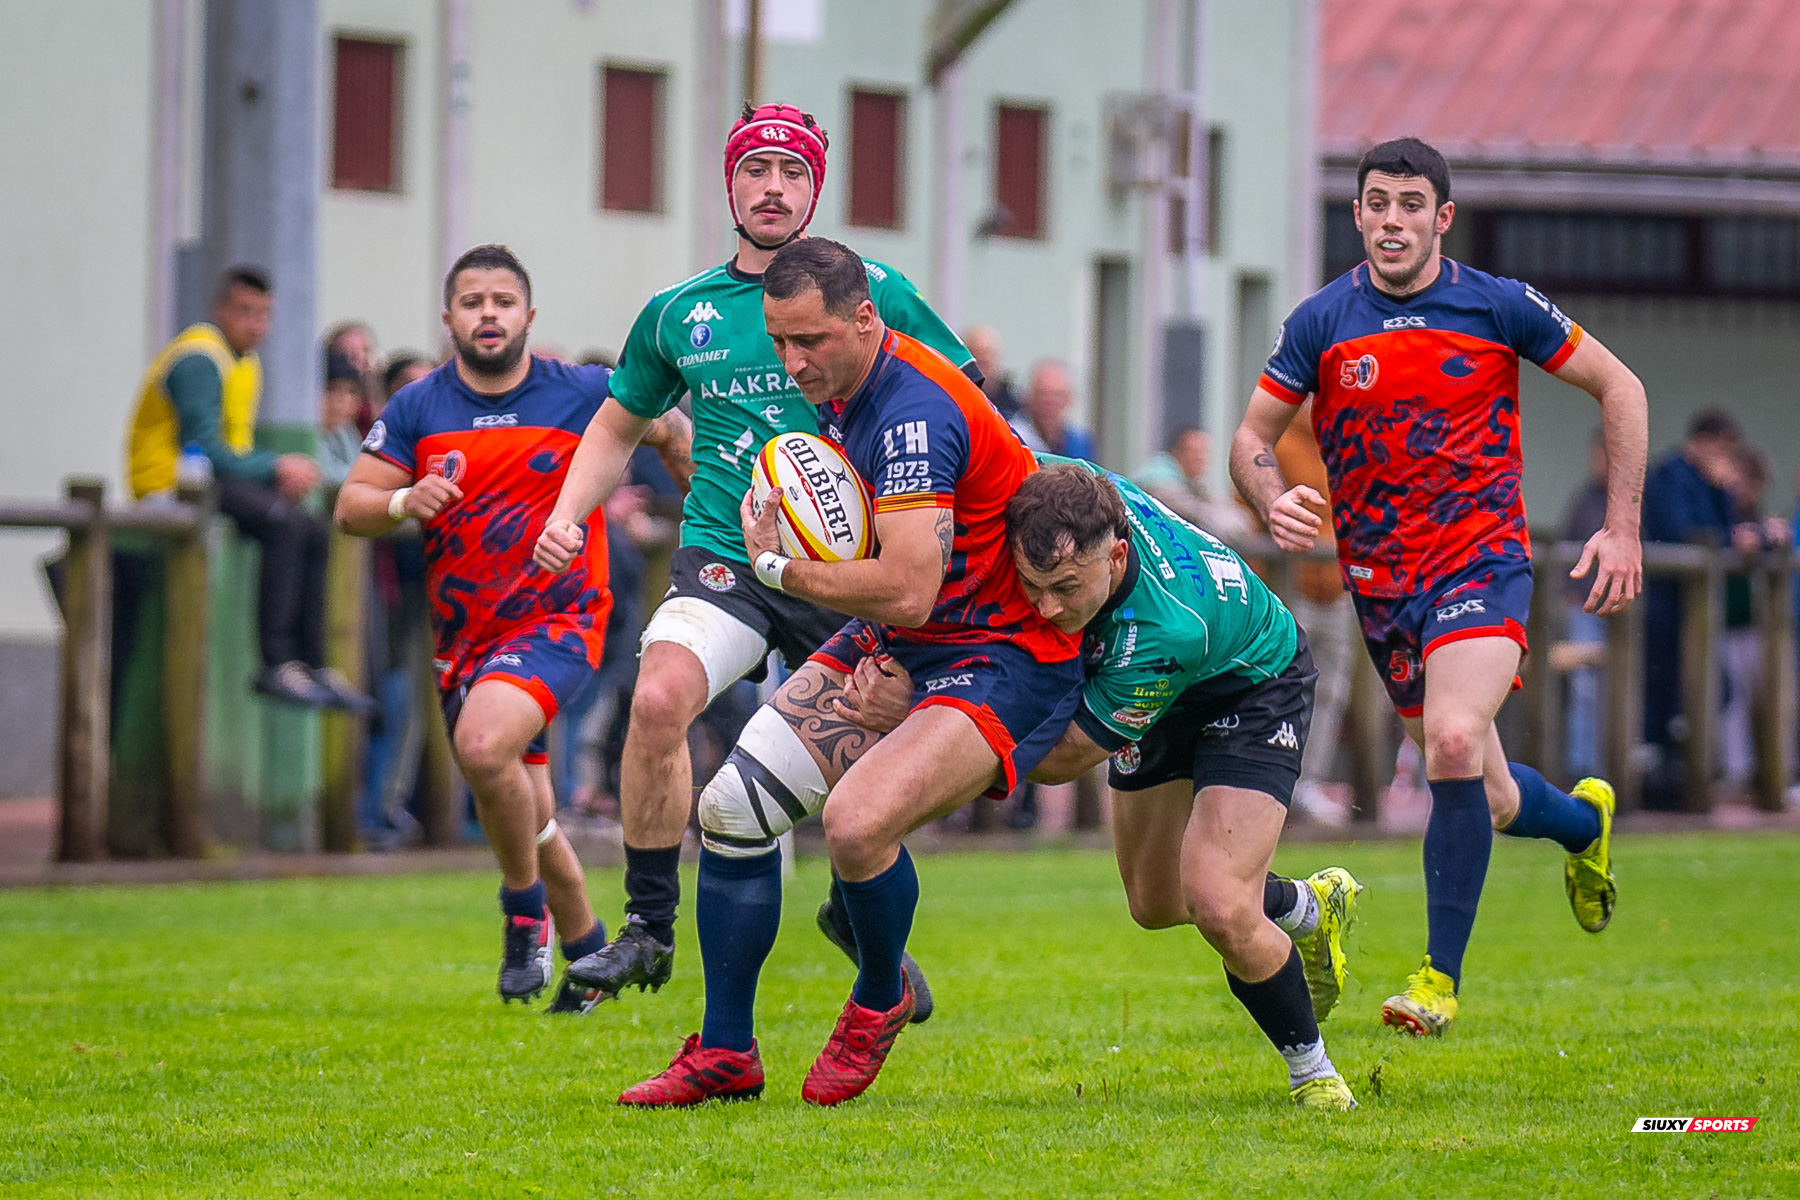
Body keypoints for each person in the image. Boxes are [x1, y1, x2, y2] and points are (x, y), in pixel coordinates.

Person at [612, 237, 1084, 1108]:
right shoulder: (842, 391)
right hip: (912, 636)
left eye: (811, 342)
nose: (792, 363)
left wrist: (779, 567)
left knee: (859, 826)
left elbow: (908, 587)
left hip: (1000, 650)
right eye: (780, 342)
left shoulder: (910, 410)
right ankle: (725, 1053)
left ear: (867, 320)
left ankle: (879, 995)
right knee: (731, 807)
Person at [532, 103, 974, 1005]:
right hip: (727, 557)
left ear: (816, 189)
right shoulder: (680, 312)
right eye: (756, 170)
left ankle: (859, 913)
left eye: (793, 172)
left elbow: (962, 397)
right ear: (729, 183)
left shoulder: (875, 290)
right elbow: (617, 424)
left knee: (884, 750)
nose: (773, 187)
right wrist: (569, 515)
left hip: (848, 571)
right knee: (657, 698)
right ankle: (650, 927)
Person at [1229, 137, 1647, 1037]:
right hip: (1381, 584)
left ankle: (1436, 981)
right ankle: (1581, 825)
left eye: (1411, 205)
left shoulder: (1496, 305)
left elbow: (1622, 387)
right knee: (1489, 795)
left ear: (1441, 218)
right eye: (1377, 203)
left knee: (1452, 741)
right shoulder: (1320, 321)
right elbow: (1252, 436)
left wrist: (1622, 526)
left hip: (1481, 561)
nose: (1392, 221)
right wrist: (1271, 498)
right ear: (1357, 214)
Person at [841, 459, 1367, 1110]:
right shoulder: (1060, 489)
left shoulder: (1165, 628)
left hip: (1251, 686)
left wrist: (922, 711)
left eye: (1066, 587)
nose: (1048, 606)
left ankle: (1314, 1075)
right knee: (1154, 901)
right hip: (1160, 686)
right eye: (1035, 585)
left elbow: (1062, 758)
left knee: (1219, 904)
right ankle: (1305, 906)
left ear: (1117, 556)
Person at [333, 244, 615, 1013]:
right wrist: (402, 501)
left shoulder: (586, 393)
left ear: (529, 316)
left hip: (560, 619)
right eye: (472, 301)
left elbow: (666, 432)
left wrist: (705, 510)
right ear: (448, 318)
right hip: (465, 643)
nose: (487, 313)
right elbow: (350, 504)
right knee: (530, 803)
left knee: (484, 747)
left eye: (502, 300)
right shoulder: (418, 407)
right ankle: (590, 952)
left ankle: (524, 913)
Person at [127, 266, 368, 712]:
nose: (255, 323)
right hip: (173, 485)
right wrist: (276, 466)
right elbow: (201, 449)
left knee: (313, 528)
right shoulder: (200, 357)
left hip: (215, 480)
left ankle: (312, 663)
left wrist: (268, 472)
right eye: (244, 311)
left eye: (263, 314)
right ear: (220, 309)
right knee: (283, 524)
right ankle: (275, 661)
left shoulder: (245, 361)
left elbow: (231, 450)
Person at [1639, 409, 1742, 808]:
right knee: (1662, 702)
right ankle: (1660, 789)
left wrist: (1724, 494)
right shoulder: (1671, 477)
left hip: (1696, 615)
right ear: (1705, 442)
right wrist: (1720, 494)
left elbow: (1721, 538)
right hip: (1665, 610)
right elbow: (1685, 535)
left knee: (1710, 692)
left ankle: (1682, 775)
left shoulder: (1706, 483)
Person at [1557, 431, 1612, 779]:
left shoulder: (1632, 502)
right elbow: (1565, 552)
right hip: (1585, 609)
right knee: (1584, 691)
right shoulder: (1584, 501)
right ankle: (1580, 768)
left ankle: (1612, 764)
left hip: (1621, 610)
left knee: (1616, 690)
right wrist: (1568, 592)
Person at [1131, 426, 1253, 540]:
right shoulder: (1157, 480)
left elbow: (1217, 503)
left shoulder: (1190, 481)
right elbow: (1200, 516)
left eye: (1204, 452)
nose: (1201, 458)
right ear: (1178, 452)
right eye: (1194, 452)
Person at [1009, 359, 1096, 460]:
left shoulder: (1080, 442)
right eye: (1043, 393)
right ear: (1027, 396)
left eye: (1058, 395)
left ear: (1070, 398)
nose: (1050, 402)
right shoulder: (1013, 436)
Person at [317, 353, 366, 489]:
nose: (343, 400)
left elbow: (361, 471)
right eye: (332, 389)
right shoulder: (306, 432)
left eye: (352, 392)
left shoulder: (346, 429)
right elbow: (329, 478)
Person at [962, 323, 1022, 419]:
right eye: (977, 353)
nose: (984, 359)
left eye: (988, 353)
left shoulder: (1014, 401)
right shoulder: (958, 397)